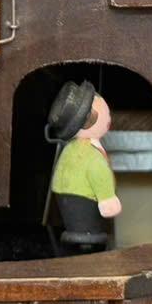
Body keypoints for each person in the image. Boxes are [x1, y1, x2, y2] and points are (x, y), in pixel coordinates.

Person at [47, 80, 121, 246]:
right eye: (106, 114)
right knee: (88, 225)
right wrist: (107, 198)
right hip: (84, 199)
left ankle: (79, 233)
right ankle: (87, 236)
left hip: (63, 196)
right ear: (89, 119)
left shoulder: (69, 149)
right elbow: (99, 175)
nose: (109, 118)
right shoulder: (91, 154)